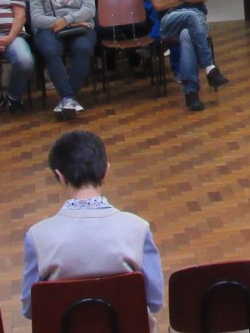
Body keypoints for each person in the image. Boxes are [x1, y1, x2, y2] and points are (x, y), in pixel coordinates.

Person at [20, 131, 164, 322]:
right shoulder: (138, 228)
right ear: (106, 171)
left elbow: (30, 308)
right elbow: (155, 300)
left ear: (59, 177)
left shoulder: (37, 237)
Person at [147, 0, 228, 111]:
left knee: (186, 35)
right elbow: (159, 4)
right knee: (191, 15)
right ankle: (209, 66)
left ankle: (191, 94)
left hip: (195, 23)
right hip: (169, 22)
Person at [29, 0, 98, 118]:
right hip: (50, 29)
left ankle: (67, 98)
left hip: (78, 26)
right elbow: (36, 18)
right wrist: (57, 23)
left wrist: (67, 20)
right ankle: (69, 98)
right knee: (51, 51)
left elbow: (90, 9)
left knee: (83, 48)